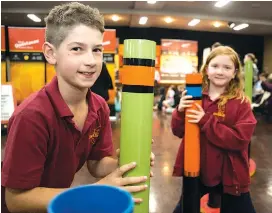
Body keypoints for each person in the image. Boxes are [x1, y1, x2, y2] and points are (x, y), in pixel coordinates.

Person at [1, 2, 154, 213]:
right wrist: (96, 191)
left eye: (97, 50)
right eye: (76, 49)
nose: (91, 60)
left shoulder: (99, 107)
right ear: (50, 53)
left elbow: (96, 163)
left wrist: (126, 160)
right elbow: (16, 201)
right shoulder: (32, 116)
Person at [172, 46, 257, 213]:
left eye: (227, 67)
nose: (220, 71)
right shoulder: (194, 97)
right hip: (197, 169)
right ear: (206, 69)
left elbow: (239, 140)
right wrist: (180, 112)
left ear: (234, 73)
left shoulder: (241, 103)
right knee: (184, 209)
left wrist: (205, 120)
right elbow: (178, 131)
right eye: (215, 66)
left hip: (231, 172)